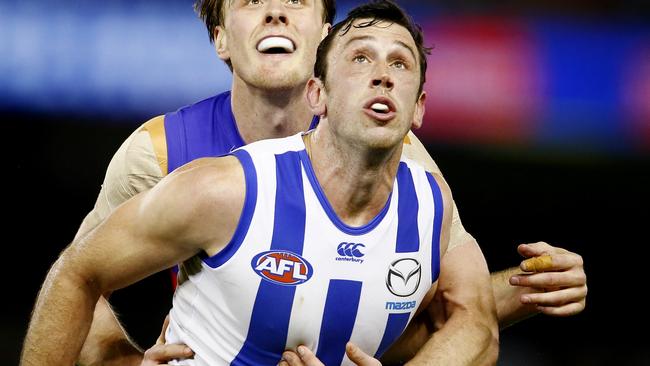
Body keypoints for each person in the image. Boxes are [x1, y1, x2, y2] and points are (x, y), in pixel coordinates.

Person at [64, 0, 586, 364]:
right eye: (250, 1)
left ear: (325, 34)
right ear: (220, 38)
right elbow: (78, 282)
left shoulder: (404, 161)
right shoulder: (159, 153)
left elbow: (426, 314)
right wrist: (122, 364)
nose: (274, 11)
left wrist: (528, 287)